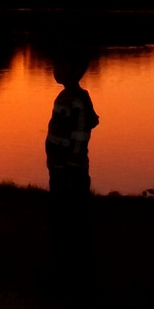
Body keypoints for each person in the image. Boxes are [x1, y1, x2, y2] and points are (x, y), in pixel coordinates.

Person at [45, 51, 99, 275]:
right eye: (56, 65)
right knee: (60, 213)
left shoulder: (76, 101)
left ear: (77, 71)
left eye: (62, 66)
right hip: (58, 168)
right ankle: (63, 258)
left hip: (70, 171)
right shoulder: (64, 97)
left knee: (73, 215)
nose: (57, 70)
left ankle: (75, 263)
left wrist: (71, 166)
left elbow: (79, 136)